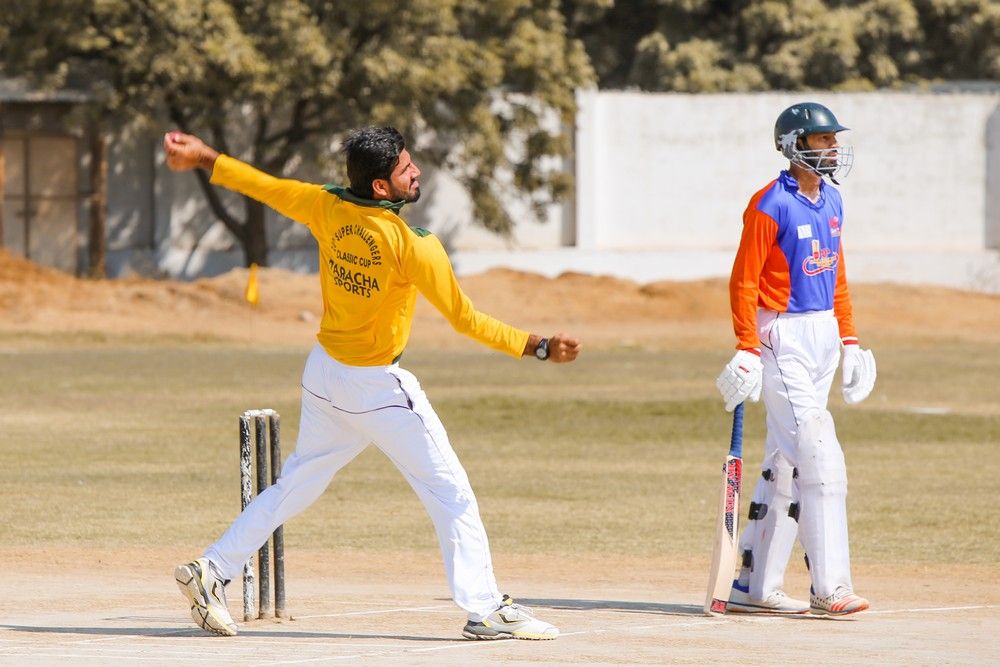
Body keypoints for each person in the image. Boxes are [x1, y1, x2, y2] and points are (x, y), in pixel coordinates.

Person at [164, 127, 581, 640]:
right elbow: (466, 319)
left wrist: (204, 156)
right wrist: (538, 345)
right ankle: (486, 608)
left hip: (324, 375)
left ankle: (211, 570)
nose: (417, 172)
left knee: (295, 486)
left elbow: (262, 186)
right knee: (450, 491)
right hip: (376, 387)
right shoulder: (413, 244)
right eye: (406, 169)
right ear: (381, 187)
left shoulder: (325, 205)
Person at [715, 102, 876, 617]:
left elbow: (837, 274)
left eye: (834, 139)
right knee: (819, 454)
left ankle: (755, 584)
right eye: (823, 139)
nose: (833, 147)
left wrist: (849, 340)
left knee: (784, 461)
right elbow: (744, 281)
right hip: (781, 334)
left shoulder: (832, 200)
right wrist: (746, 346)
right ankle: (830, 587)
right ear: (794, 144)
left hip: (822, 332)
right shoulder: (770, 204)